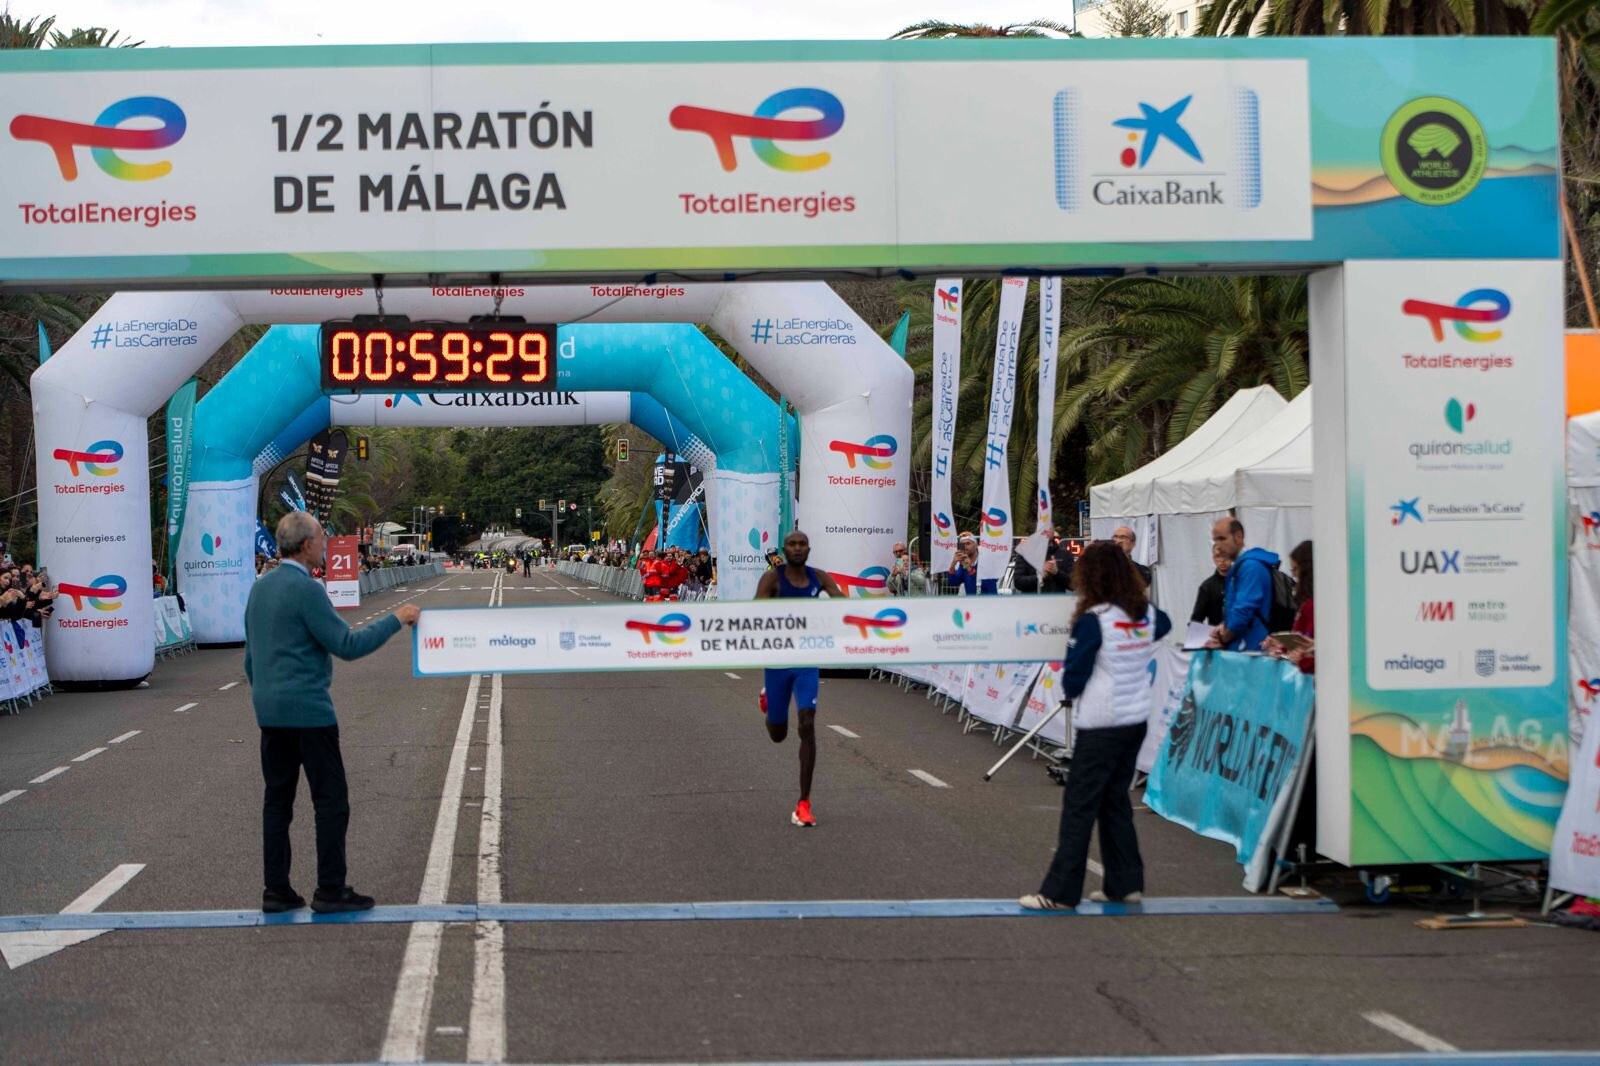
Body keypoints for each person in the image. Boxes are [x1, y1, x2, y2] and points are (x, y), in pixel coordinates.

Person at [244, 510, 421, 915]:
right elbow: (347, 645)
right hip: (309, 713)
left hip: (270, 713)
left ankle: (276, 889)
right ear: (307, 545)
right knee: (330, 802)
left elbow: (251, 659)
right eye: (322, 540)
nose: (325, 546)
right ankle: (330, 888)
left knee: (277, 803)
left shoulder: (259, 589)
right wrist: (397, 619)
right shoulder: (307, 590)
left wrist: (267, 695)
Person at [1020, 540, 1171, 911]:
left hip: (1102, 721)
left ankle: (1059, 893)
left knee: (1079, 806)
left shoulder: (1094, 620)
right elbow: (1165, 625)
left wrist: (1072, 684)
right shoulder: (1145, 614)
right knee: (1114, 801)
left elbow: (1074, 677)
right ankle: (1125, 882)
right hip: (1135, 719)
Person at [755, 530, 845, 828]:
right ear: (784, 549)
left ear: (809, 548)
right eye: (792, 544)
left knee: (807, 722)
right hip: (778, 661)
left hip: (807, 660)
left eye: (802, 544)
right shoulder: (772, 579)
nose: (797, 548)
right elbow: (752, 613)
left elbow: (842, 603)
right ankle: (769, 699)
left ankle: (803, 803)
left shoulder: (819, 577)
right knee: (778, 733)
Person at [1206, 517, 1280, 652]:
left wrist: (1224, 638)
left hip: (1252, 649)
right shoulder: (1243, 566)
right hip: (1248, 647)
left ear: (1238, 537)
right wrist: (1225, 626)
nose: (1218, 546)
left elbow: (1243, 610)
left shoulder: (1250, 566)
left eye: (1222, 539)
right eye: (1215, 540)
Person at [1264, 540, 1314, 674]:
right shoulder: (1307, 604)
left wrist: (1300, 657)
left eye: (1295, 569)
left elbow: (1308, 646)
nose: (1294, 575)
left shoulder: (1311, 605)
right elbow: (1301, 642)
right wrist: (1281, 646)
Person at [1189, 544, 1232, 626]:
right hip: (1218, 632)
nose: (1222, 560)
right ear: (1214, 559)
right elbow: (1197, 619)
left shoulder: (1243, 581)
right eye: (1218, 556)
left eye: (1225, 555)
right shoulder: (1207, 587)